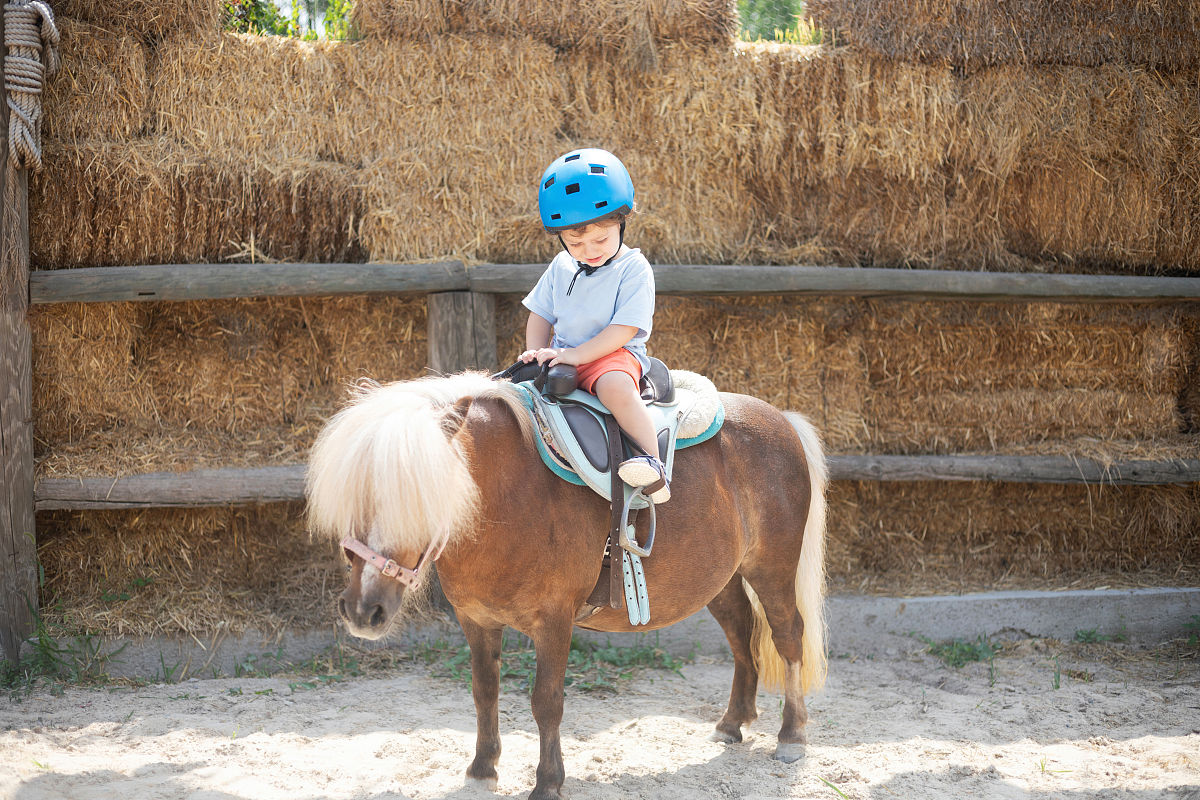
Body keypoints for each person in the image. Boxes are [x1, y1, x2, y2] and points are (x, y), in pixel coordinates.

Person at [519, 148, 670, 503]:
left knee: (616, 389)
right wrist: (535, 351)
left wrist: (576, 355)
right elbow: (540, 313)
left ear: (621, 221)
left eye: (600, 239)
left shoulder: (633, 269)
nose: (589, 250)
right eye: (575, 243)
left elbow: (623, 330)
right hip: (564, 355)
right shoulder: (560, 266)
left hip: (613, 356)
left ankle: (653, 464)